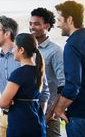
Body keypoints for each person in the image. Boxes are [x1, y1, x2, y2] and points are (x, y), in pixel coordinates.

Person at [54, 0, 85, 137]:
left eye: (59, 20)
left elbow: (73, 84)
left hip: (80, 117)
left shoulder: (72, 45)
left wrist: (59, 109)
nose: (57, 25)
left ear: (69, 20)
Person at [0, 33, 46, 137]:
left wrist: (10, 101)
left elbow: (2, 103)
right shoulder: (39, 71)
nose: (12, 50)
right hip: (37, 123)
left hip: (21, 125)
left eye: (14, 47)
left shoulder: (19, 73)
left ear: (21, 50)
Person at [29, 7, 65, 137]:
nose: (32, 27)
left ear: (47, 26)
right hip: (29, 113)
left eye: (37, 24)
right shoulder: (27, 50)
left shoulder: (55, 51)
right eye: (31, 23)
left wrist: (51, 112)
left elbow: (63, 84)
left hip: (49, 116)